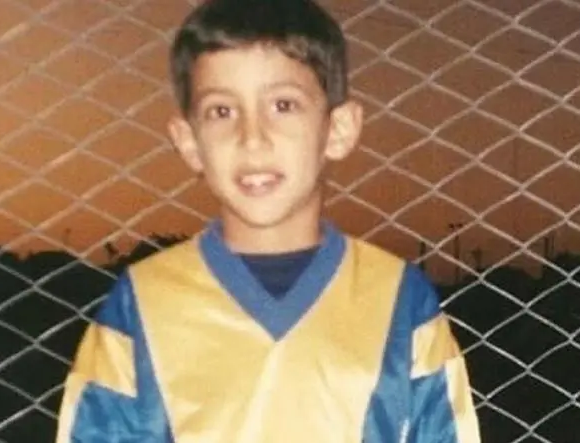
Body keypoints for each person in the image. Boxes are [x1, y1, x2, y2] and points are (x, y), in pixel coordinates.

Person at [55, 0, 481, 441]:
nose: (252, 138)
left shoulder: (399, 301)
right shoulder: (141, 305)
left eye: (283, 104)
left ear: (338, 129)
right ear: (189, 141)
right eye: (222, 111)